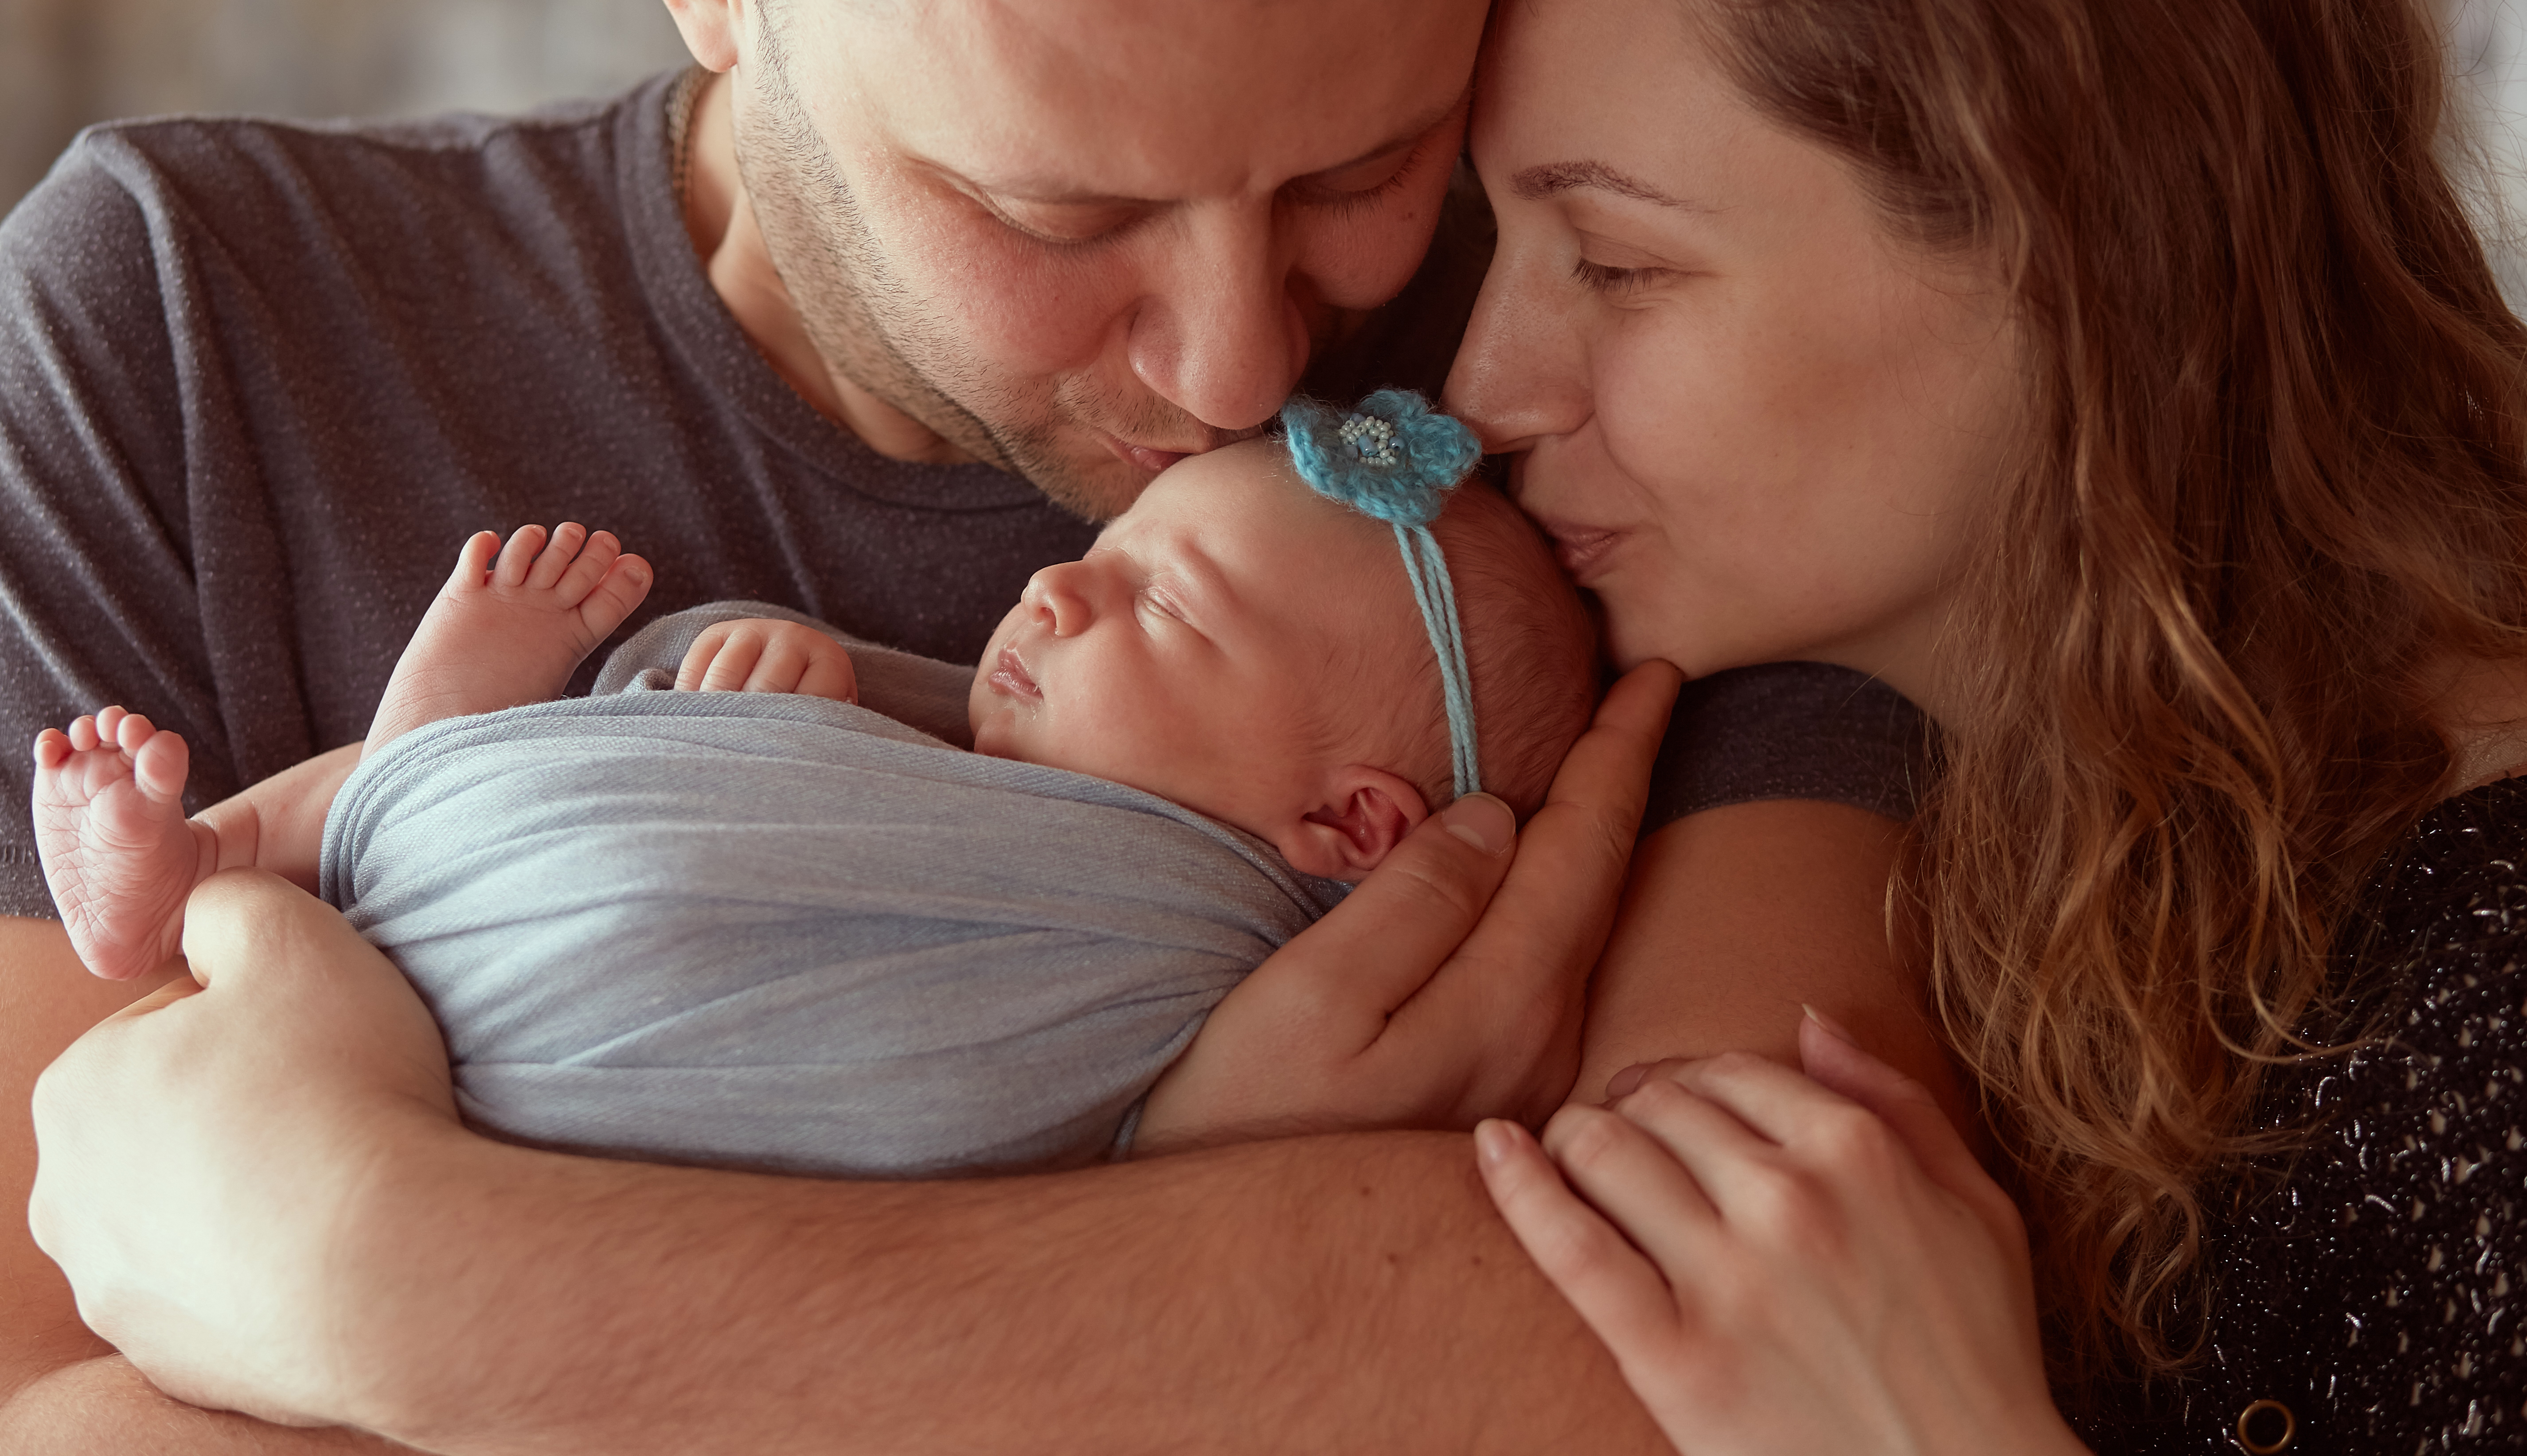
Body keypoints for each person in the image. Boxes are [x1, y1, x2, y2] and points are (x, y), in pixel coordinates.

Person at [6, 0, 1956, 1448]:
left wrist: (411, 1281)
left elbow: (1713, 1385)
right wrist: (1267, 1280)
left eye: (1369, 163)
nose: (1239, 371)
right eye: (1060, 216)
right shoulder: (178, 329)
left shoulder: (1577, 396)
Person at [1438, 0, 2527, 1451]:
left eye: (1617, 262)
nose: (1482, 383)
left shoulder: (2509, 996)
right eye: (1486, 247)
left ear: (2073, 247)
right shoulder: (1967, 820)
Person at [36, 409, 1599, 1176]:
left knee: (434, 812)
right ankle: (210, 857)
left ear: (1352, 830)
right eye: (1104, 552)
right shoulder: (961, 742)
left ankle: (361, 798)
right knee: (427, 791)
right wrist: (777, 686)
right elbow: (825, 787)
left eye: (1168, 608)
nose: (1055, 587)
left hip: (566, 1097)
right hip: (489, 885)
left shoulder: (1224, 964)